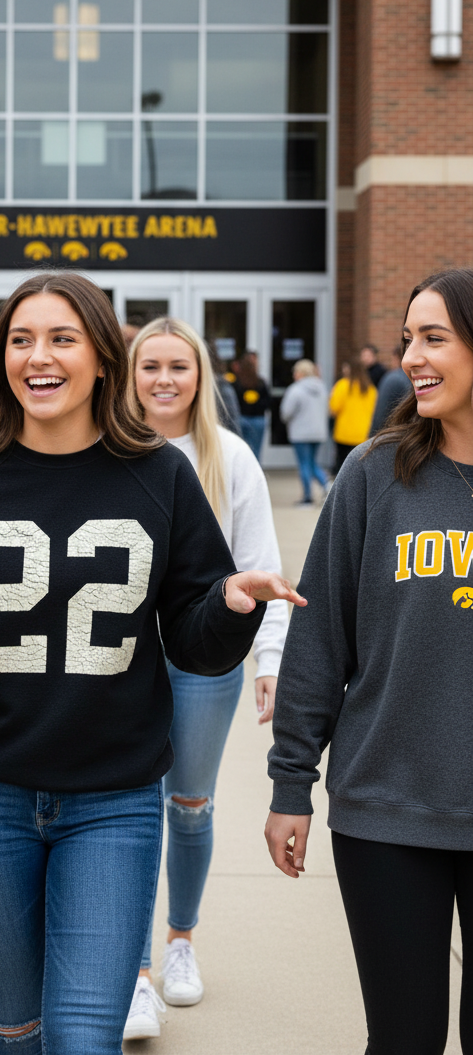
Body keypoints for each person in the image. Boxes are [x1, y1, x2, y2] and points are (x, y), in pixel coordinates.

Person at [0, 270, 303, 1055]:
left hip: (113, 800)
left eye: (63, 338)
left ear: (105, 358)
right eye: (22, 339)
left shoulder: (159, 473)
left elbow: (195, 641)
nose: (39, 357)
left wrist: (234, 603)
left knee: (83, 1039)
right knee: (13, 1031)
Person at [265, 266, 473, 1054]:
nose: (411, 358)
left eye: (434, 338)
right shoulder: (374, 475)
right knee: (404, 1038)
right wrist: (291, 781)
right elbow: (321, 642)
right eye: (408, 339)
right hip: (387, 809)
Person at [123, 318, 289, 1039]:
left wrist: (271, 661)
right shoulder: (111, 449)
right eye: (150, 365)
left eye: (178, 367)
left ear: (199, 377)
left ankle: (180, 943)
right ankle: (130, 975)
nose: (164, 379)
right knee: (122, 808)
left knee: (189, 804)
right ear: (128, 374)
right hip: (119, 656)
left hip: (201, 660)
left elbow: (262, 563)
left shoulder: (231, 456)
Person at [280, 359, 331, 505]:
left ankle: (308, 497)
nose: (294, 375)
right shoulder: (321, 388)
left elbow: (286, 412)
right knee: (311, 462)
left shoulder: (295, 390)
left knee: (304, 464)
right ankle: (327, 485)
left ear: (301, 373)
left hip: (300, 433)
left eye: (295, 372)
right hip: (318, 432)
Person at [329, 355, 377, 475]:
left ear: (350, 369)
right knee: (360, 470)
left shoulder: (342, 385)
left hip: (344, 433)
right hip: (364, 433)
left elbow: (333, 410)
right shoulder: (371, 389)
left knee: (342, 469)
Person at [234, 351, 271, 461]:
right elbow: (268, 402)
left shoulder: (237, 383)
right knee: (256, 452)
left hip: (242, 419)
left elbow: (234, 402)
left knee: (240, 450)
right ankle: (254, 474)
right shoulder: (260, 382)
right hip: (258, 420)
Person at [369, 345, 411, 435]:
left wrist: (372, 439)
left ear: (396, 358)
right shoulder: (417, 379)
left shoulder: (393, 379)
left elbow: (380, 415)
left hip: (391, 437)